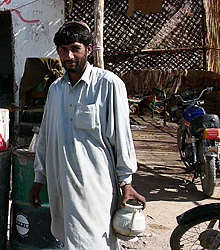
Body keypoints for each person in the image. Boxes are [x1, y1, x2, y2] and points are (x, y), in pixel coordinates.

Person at [28, 21, 147, 250]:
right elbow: (46, 138)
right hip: (61, 186)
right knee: (68, 239)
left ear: (89, 50)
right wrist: (38, 179)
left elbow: (122, 138)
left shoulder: (109, 85)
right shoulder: (55, 90)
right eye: (63, 50)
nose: (69, 55)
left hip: (95, 186)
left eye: (75, 48)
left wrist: (127, 182)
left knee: (96, 242)